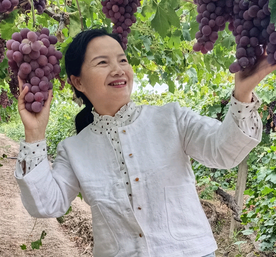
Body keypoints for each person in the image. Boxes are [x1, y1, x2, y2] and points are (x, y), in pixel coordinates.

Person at [15, 28, 276, 257]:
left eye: (123, 60)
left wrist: (242, 94)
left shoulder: (171, 118)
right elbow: (46, 204)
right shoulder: (74, 150)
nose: (118, 69)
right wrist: (35, 135)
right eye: (102, 62)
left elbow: (224, 152)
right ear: (78, 81)